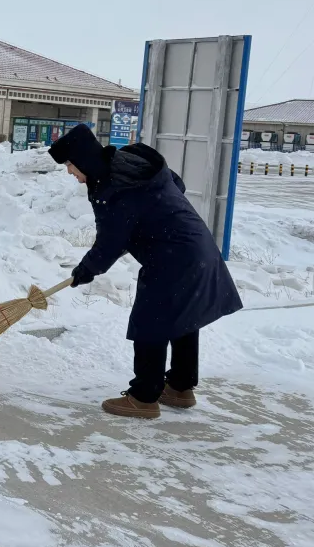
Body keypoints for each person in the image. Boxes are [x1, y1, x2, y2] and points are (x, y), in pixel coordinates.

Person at [49, 124, 243, 419]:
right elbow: (175, 184)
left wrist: (85, 270)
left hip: (173, 257)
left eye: (70, 165)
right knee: (182, 318)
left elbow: (109, 243)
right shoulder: (131, 168)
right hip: (196, 246)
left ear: (84, 160)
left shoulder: (116, 188)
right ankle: (179, 386)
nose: (69, 172)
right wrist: (147, 225)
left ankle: (144, 396)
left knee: (149, 322)